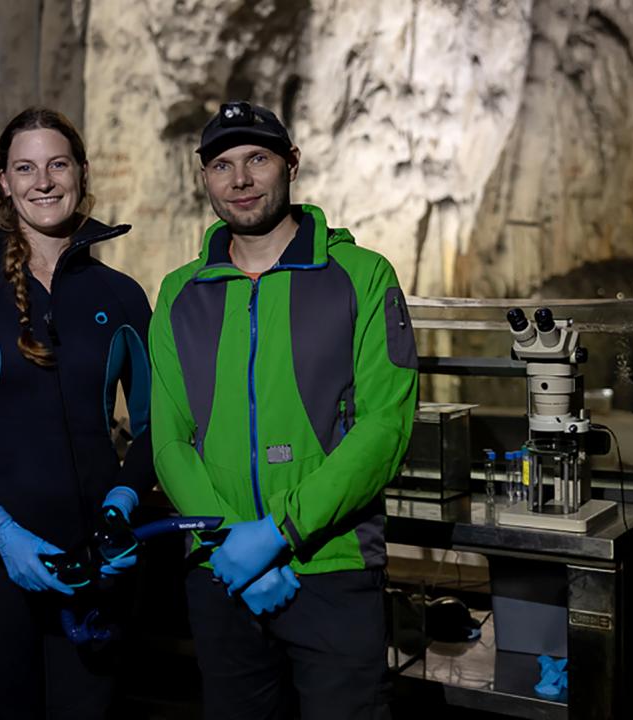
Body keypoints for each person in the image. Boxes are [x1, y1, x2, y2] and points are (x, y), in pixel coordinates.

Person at [149, 101, 419, 719]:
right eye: (222, 165)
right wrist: (226, 545)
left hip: (330, 567)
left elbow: (385, 426)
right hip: (221, 576)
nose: (239, 180)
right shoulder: (180, 294)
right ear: (205, 178)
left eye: (257, 159)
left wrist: (277, 532)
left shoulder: (362, 276)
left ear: (290, 164)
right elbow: (169, 439)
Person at [0, 107, 155, 718]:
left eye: (56, 165)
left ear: (81, 173)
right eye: (25, 168)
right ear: (3, 182)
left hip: (95, 556)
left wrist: (124, 503)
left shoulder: (120, 297)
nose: (43, 181)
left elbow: (159, 427)